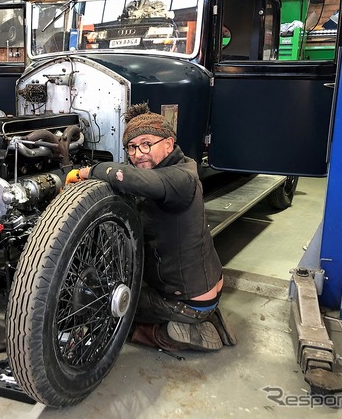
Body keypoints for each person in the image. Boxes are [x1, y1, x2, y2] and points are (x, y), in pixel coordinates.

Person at [67, 103, 237, 352]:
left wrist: (88, 171)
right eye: (132, 147)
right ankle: (200, 318)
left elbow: (132, 178)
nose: (138, 154)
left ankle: (169, 334)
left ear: (168, 144)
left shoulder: (180, 178)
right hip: (200, 289)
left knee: (106, 303)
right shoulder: (182, 166)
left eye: (147, 144)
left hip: (187, 301)